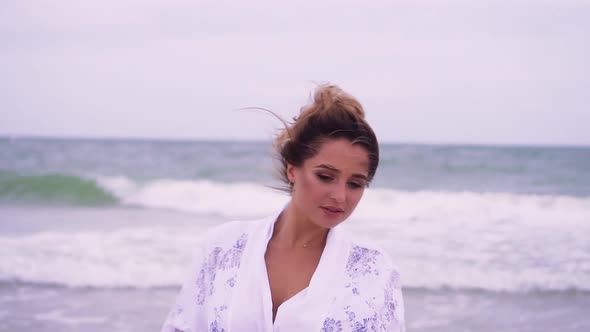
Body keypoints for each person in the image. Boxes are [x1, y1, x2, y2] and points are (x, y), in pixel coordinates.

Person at [161, 84, 405, 331]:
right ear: (292, 169)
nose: (340, 196)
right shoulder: (223, 247)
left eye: (355, 184)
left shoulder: (373, 269)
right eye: (325, 176)